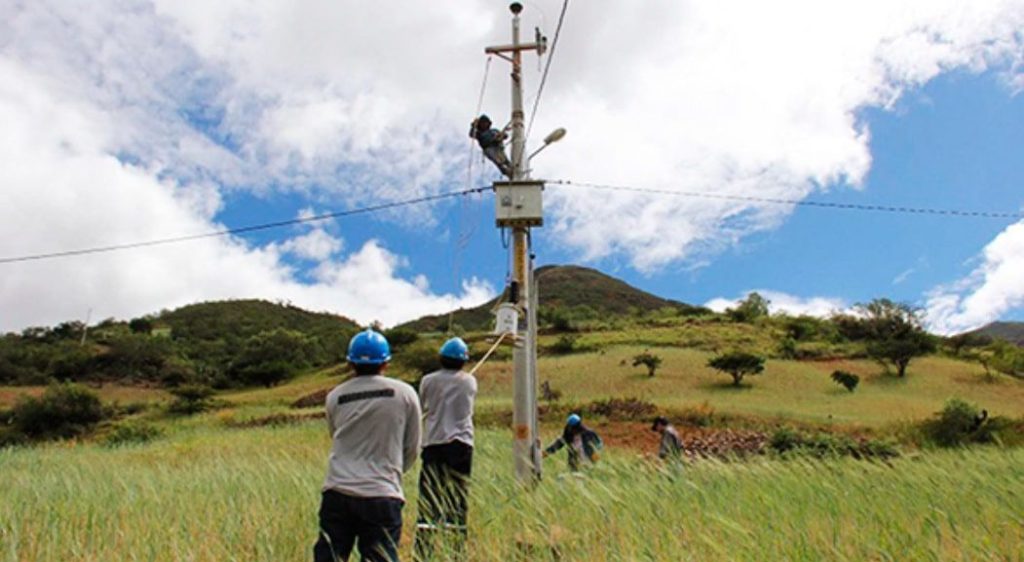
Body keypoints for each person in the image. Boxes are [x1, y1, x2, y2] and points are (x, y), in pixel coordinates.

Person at [314, 329, 422, 562]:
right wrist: (392, 471)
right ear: (386, 362)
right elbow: (412, 447)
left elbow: (336, 435)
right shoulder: (405, 393)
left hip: (337, 492)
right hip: (382, 495)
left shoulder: (335, 396)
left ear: (350, 362)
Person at [413, 337, 477, 561]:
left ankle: (423, 552)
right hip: (461, 446)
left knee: (429, 499)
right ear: (463, 361)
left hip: (434, 444)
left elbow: (423, 405)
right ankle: (457, 552)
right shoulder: (470, 382)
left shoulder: (427, 381)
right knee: (458, 499)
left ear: (441, 358)